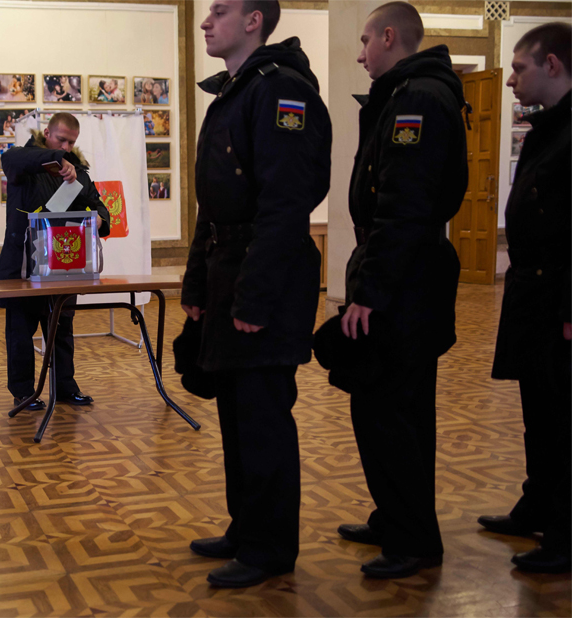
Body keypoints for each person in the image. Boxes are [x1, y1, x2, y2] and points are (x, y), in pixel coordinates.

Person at [181, 0, 330, 588]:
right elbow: (211, 204)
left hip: (264, 277)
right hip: (229, 273)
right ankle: (246, 527)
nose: (205, 21)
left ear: (254, 21)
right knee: (237, 415)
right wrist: (198, 283)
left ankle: (270, 548)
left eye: (219, 11)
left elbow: (285, 206)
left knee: (264, 417)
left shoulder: (281, 91)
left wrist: (255, 299)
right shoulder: (235, 92)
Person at [336, 2, 467, 579]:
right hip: (406, 274)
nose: (361, 54)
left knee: (389, 408)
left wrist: (370, 289)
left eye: (365, 41)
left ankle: (413, 539)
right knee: (397, 407)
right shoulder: (412, 93)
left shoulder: (417, 98)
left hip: (404, 281)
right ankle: (398, 518)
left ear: (390, 36)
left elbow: (404, 206)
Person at [479, 22, 571, 574]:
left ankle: (564, 535)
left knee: (562, 421)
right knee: (538, 414)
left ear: (553, 65)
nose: (511, 79)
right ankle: (537, 505)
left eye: (519, 68)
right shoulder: (547, 127)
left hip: (559, 300)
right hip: (534, 293)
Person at [0, 113, 111, 410]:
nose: (68, 147)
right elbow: (11, 159)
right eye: (62, 140)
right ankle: (24, 393)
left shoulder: (80, 172)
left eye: (72, 142)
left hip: (65, 262)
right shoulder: (24, 161)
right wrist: (57, 159)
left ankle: (65, 388)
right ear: (46, 133)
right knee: (20, 329)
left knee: (61, 327)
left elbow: (99, 206)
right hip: (23, 263)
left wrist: (99, 220)